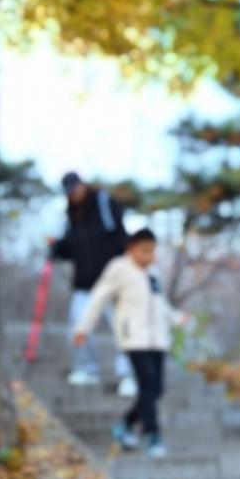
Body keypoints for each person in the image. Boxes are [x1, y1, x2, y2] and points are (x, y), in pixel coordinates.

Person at [73, 227, 178, 458]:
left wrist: (176, 317)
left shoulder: (153, 273)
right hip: (134, 339)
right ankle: (153, 435)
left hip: (157, 339)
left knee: (157, 389)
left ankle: (126, 425)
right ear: (131, 248)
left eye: (153, 251)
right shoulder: (119, 269)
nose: (150, 256)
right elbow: (98, 298)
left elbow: (160, 304)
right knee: (147, 386)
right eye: (145, 250)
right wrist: (83, 328)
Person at [49, 172, 129, 388]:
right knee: (78, 325)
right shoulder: (70, 215)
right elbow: (68, 250)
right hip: (83, 282)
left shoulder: (104, 203)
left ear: (82, 185)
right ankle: (87, 369)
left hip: (111, 280)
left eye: (75, 189)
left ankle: (129, 375)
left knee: (122, 326)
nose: (72, 195)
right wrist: (55, 247)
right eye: (68, 192)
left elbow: (121, 236)